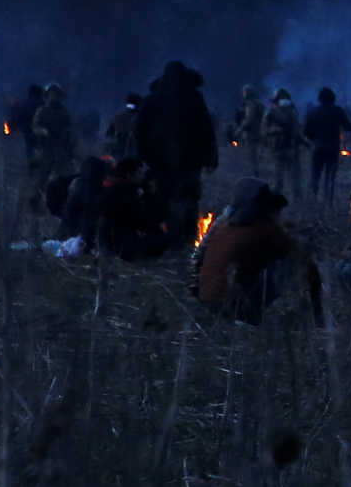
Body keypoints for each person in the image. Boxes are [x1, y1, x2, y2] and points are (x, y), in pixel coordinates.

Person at [197, 177, 323, 325]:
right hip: (232, 304)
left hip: (207, 301)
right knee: (294, 263)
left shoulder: (222, 225)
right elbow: (297, 252)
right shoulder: (266, 228)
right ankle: (316, 317)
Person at [135, 61, 220, 245]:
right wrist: (211, 157)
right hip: (186, 161)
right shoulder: (194, 98)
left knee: (164, 197)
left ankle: (168, 237)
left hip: (161, 161)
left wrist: (141, 155)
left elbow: (139, 130)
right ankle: (184, 237)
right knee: (184, 198)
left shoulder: (153, 100)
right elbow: (206, 130)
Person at [302, 88, 351, 203]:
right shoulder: (338, 111)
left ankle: (313, 199)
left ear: (319, 98)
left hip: (317, 148)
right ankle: (328, 201)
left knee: (315, 174)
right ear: (333, 98)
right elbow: (349, 127)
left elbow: (305, 131)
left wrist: (313, 138)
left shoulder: (313, 112)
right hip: (333, 149)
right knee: (330, 176)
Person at [262, 89, 303, 198]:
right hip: (279, 148)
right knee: (279, 177)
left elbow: (297, 130)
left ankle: (296, 199)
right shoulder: (271, 112)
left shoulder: (292, 112)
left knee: (293, 177)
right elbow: (264, 130)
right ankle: (278, 198)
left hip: (290, 148)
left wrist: (302, 141)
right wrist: (274, 130)